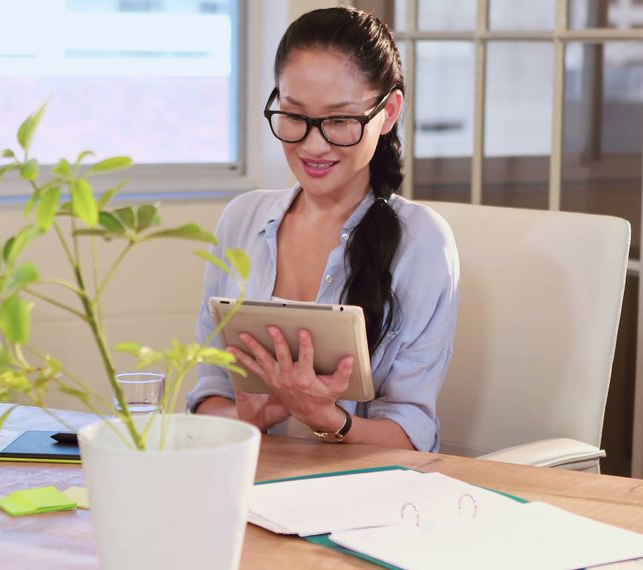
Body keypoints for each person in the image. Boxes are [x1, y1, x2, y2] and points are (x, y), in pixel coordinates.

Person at [187, 6, 460, 452]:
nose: (313, 145)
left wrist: (326, 418)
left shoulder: (422, 242)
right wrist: (246, 417)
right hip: (250, 484)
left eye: (338, 120)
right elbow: (208, 394)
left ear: (388, 112)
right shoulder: (242, 220)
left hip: (364, 499)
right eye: (294, 116)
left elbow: (412, 437)